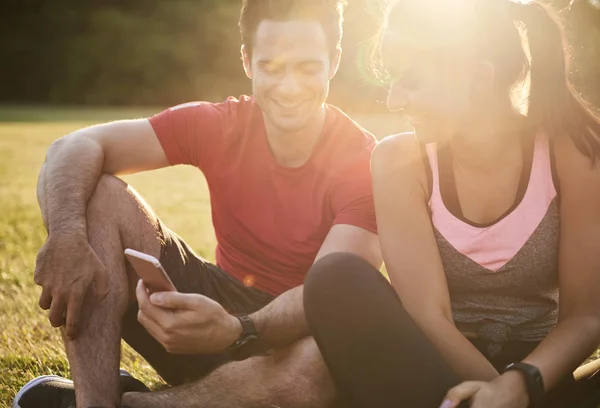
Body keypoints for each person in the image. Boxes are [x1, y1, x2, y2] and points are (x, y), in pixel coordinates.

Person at [13, 1, 382, 407]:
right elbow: (75, 146)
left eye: (307, 67)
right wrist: (67, 235)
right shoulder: (220, 125)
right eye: (273, 67)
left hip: (303, 330)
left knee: (311, 370)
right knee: (97, 196)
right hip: (214, 314)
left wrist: (236, 329)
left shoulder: (363, 161)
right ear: (247, 61)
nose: (290, 86)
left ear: (334, 62)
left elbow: (329, 293)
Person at [303, 0, 600, 407]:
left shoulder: (573, 153)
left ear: (478, 77)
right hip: (439, 368)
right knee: (334, 277)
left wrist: (517, 387)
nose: (393, 100)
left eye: (411, 80)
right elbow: (427, 315)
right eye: (391, 79)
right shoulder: (399, 161)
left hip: (541, 375)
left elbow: (584, 316)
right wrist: (493, 393)